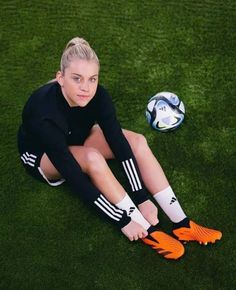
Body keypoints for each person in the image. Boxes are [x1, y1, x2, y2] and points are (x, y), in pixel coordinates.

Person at [17, 37, 222, 260]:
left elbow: (118, 142)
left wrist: (142, 197)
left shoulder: (99, 96)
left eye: (92, 79)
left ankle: (182, 224)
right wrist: (122, 221)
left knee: (137, 141)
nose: (86, 88)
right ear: (60, 78)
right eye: (77, 79)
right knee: (93, 158)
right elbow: (74, 177)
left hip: (78, 134)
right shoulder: (43, 113)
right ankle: (147, 231)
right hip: (43, 155)